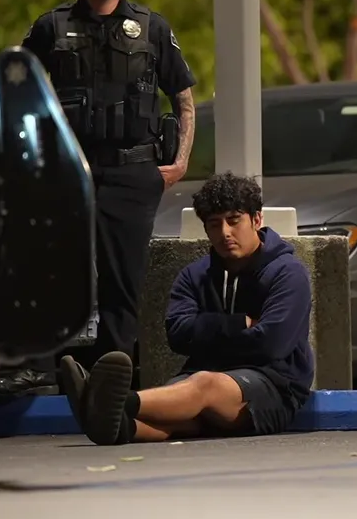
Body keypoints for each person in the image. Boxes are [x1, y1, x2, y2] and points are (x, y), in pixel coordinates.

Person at [0, 0, 197, 397]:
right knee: (48, 269)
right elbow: (14, 90)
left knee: (122, 279)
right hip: (66, 170)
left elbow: (183, 99)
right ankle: (38, 369)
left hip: (131, 171)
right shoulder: (51, 27)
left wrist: (180, 162)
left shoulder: (153, 28)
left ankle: (112, 375)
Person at [57, 172, 314, 444]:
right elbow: (178, 334)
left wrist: (206, 336)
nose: (225, 233)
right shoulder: (194, 275)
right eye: (214, 224)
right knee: (178, 403)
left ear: (257, 219)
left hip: (273, 386)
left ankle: (111, 402)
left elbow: (272, 344)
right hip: (201, 377)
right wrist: (240, 324)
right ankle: (117, 426)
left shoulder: (287, 273)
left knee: (204, 386)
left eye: (233, 220)